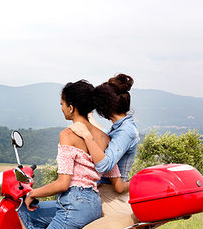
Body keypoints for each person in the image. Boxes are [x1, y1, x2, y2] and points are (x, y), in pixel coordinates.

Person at [18, 80, 128, 229]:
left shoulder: (67, 135)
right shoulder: (105, 137)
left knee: (23, 210)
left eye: (62, 104)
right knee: (25, 212)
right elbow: (118, 184)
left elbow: (63, 184)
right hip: (94, 204)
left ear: (71, 107)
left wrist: (33, 193)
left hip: (74, 203)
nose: (61, 108)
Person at [68, 74, 139, 228]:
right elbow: (109, 139)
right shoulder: (119, 127)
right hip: (104, 192)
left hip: (111, 197)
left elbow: (105, 164)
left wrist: (87, 136)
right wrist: (90, 120)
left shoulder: (126, 131)